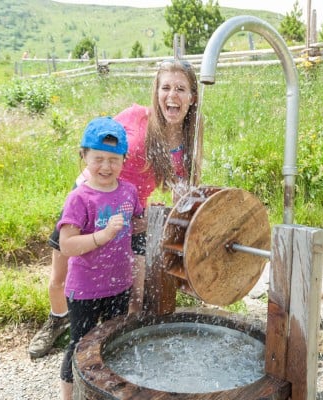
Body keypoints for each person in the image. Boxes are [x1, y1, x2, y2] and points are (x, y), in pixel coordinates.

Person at [28, 58, 203, 358]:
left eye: (180, 89)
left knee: (132, 293)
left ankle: (115, 351)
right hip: (88, 205)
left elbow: (183, 191)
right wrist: (83, 196)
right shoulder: (135, 117)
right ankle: (57, 321)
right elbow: (97, 143)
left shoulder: (190, 138)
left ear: (192, 96)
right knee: (61, 278)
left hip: (126, 216)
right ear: (155, 91)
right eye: (165, 88)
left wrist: (152, 219)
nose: (171, 96)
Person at [56, 116, 143, 400]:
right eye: (98, 159)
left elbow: (137, 224)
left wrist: (156, 217)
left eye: (113, 160)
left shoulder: (129, 191)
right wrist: (102, 236)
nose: (106, 166)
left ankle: (107, 394)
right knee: (80, 346)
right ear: (84, 156)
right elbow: (67, 245)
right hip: (84, 291)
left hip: (120, 285)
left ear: (123, 160)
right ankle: (68, 397)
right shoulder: (80, 198)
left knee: (113, 343)